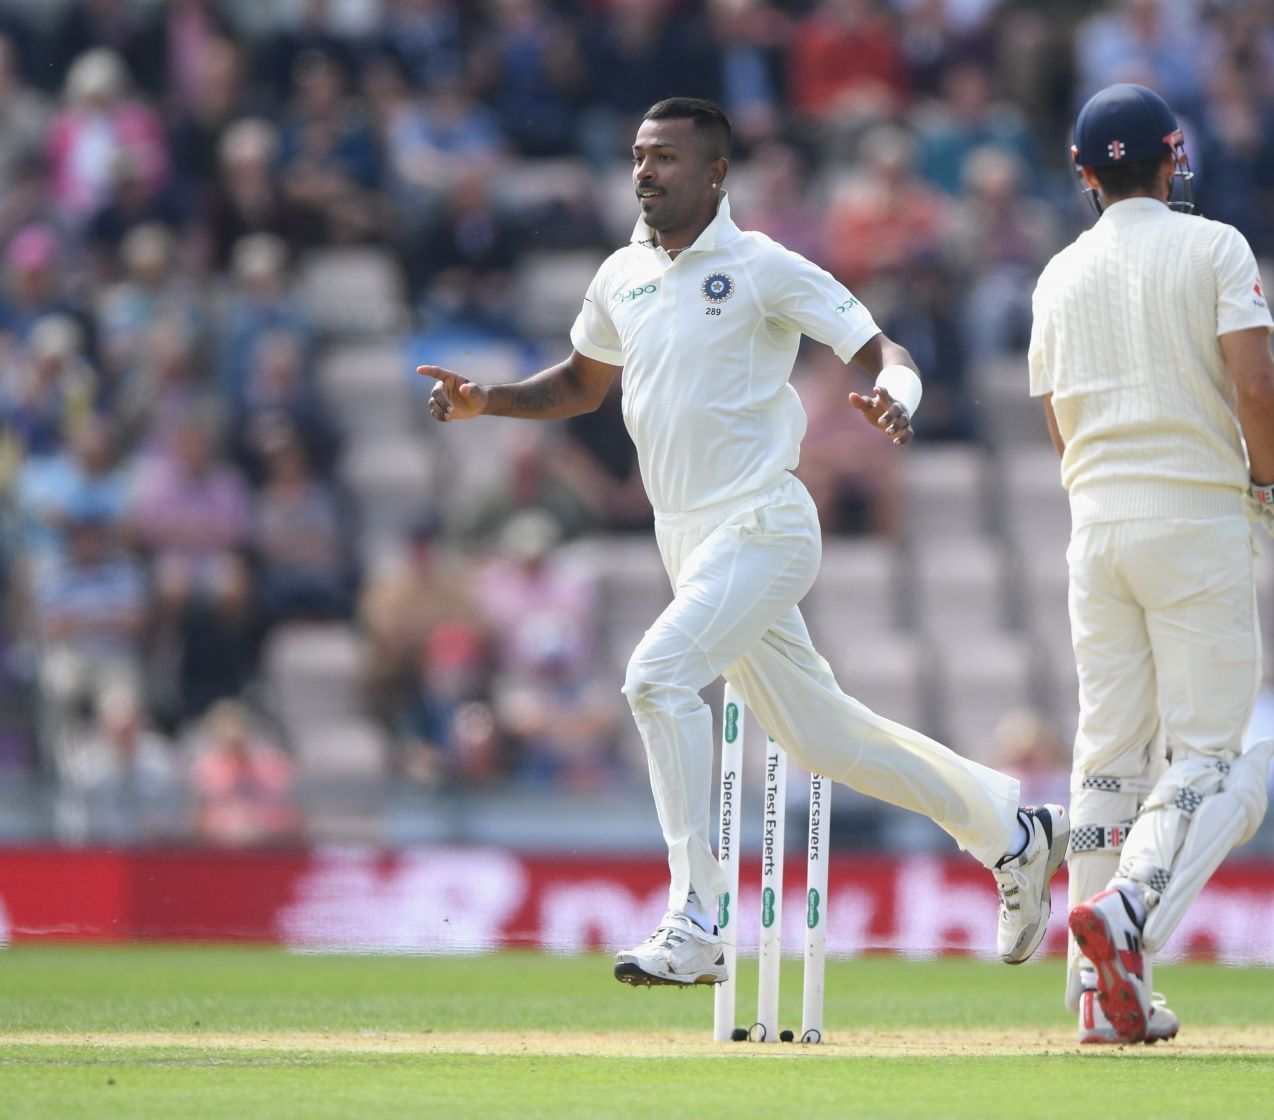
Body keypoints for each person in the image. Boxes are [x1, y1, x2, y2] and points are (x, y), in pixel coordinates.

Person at [417, 98, 1065, 989]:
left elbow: (886, 351)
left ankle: (699, 919)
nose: (645, 171)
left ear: (716, 173)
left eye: (668, 159)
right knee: (827, 741)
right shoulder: (619, 275)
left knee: (655, 675)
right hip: (686, 542)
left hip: (763, 522)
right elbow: (579, 382)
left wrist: (898, 402)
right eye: (639, 156)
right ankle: (1011, 828)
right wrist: (488, 399)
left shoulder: (762, 267)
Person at [1030, 83, 1274, 1045]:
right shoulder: (1216, 246)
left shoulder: (1057, 274)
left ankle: (1097, 1000)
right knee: (1222, 763)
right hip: (1194, 519)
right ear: (1174, 155)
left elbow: (1055, 420)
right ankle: (1131, 907)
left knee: (1107, 762)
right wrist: (1268, 482)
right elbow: (1257, 381)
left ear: (1084, 174)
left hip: (1095, 527)